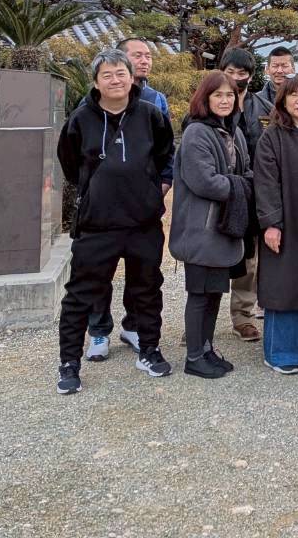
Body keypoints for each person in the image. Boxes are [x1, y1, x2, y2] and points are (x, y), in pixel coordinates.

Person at [54, 48, 175, 394]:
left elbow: (165, 153)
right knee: (80, 294)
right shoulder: (81, 119)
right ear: (96, 82)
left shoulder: (151, 115)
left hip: (142, 222)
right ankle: (69, 362)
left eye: (121, 73)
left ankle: (149, 349)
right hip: (98, 223)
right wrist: (96, 191)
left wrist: (153, 190)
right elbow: (70, 163)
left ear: (132, 77)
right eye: (106, 75)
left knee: (147, 288)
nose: (115, 80)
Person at [85, 37, 174, 362]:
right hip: (103, 209)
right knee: (99, 271)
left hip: (142, 209)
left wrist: (159, 188)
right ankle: (98, 331)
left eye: (148, 55)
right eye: (138, 55)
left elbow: (166, 151)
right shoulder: (91, 103)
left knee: (143, 272)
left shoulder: (155, 100)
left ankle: (134, 326)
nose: (145, 60)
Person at [169, 71, 252, 380]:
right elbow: (205, 182)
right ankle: (193, 356)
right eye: (218, 95)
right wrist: (241, 185)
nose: (225, 100)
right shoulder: (196, 133)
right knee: (199, 293)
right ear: (205, 98)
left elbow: (248, 171)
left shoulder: (234, 132)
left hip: (224, 227)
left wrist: (242, 182)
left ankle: (206, 348)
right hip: (200, 228)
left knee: (215, 292)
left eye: (230, 95)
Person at [255, 75, 298, 375]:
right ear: (283, 101)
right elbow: (266, 182)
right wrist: (272, 223)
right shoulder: (273, 136)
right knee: (284, 286)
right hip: (287, 225)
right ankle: (281, 352)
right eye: (293, 95)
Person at [219, 46, 263, 343]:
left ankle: (243, 316)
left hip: (252, 191)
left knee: (249, 258)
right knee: (210, 255)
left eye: (242, 73)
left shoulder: (264, 108)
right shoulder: (208, 104)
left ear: (251, 75)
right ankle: (201, 317)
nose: (236, 78)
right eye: (230, 72)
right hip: (218, 190)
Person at [245, 46, 296, 135]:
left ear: (293, 69)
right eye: (275, 66)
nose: (279, 71)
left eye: (284, 66)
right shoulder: (254, 102)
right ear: (267, 69)